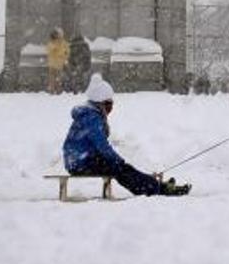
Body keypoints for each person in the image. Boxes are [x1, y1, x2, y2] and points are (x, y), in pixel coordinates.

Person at [62, 74, 190, 196]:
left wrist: (116, 160)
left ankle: (154, 185)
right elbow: (102, 145)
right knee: (119, 168)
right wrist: (116, 160)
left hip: (79, 160)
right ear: (100, 103)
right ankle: (157, 188)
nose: (110, 108)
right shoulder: (92, 117)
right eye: (108, 104)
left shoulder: (90, 114)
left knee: (121, 167)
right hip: (80, 163)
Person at [46, 28, 69, 94]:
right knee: (54, 78)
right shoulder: (52, 43)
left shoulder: (62, 43)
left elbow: (67, 52)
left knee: (58, 78)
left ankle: (57, 90)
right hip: (54, 64)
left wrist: (64, 57)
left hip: (58, 64)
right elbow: (51, 51)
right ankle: (53, 90)